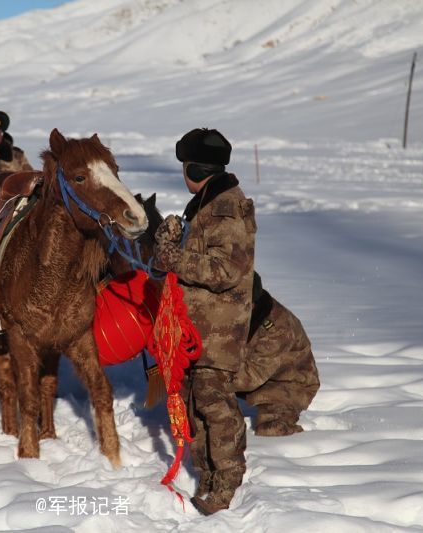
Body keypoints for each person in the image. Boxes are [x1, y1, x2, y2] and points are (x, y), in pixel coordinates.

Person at [154, 127, 256, 516]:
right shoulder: (204, 205)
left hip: (219, 330)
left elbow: (225, 269)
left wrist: (172, 257)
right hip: (198, 328)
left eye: (184, 166)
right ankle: (208, 476)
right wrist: (171, 241)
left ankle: (227, 482)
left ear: (193, 167)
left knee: (216, 407)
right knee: (198, 405)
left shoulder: (226, 207)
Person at [239, 272, 320, 436]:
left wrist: (215, 380)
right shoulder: (236, 313)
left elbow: (253, 374)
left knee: (271, 429)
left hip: (287, 383)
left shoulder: (278, 327)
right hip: (249, 378)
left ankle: (300, 448)